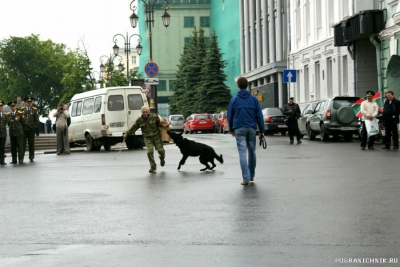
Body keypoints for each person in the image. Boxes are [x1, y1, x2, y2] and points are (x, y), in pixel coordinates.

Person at [227, 76, 265, 186]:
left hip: (239, 128)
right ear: (247, 85)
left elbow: (230, 116)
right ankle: (252, 175)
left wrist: (231, 129)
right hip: (252, 128)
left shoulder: (234, 99)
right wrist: (262, 131)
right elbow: (259, 115)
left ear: (238, 86)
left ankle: (246, 178)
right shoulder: (254, 99)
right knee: (252, 151)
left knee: (242, 153)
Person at [123, 105, 165, 173]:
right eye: (143, 112)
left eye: (146, 112)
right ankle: (153, 167)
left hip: (156, 136)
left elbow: (161, 123)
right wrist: (126, 134)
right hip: (147, 138)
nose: (145, 113)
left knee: (161, 151)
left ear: (148, 112)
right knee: (149, 152)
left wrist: (166, 128)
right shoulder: (139, 120)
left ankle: (162, 158)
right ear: (141, 112)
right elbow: (133, 127)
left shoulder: (154, 117)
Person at [20, 96, 39, 162]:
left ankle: (31, 157)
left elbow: (36, 120)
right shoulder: (21, 110)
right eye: (28, 102)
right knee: (23, 144)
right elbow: (19, 119)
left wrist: (34, 127)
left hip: (31, 129)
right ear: (25, 103)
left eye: (30, 102)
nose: (29, 103)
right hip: (24, 129)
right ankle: (21, 157)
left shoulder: (34, 110)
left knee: (31, 143)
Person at [0, 100, 8, 165]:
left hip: (3, 133)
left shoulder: (4, 115)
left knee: (2, 148)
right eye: (0, 107)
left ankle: (2, 160)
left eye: (1, 107)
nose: (0, 108)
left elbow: (5, 124)